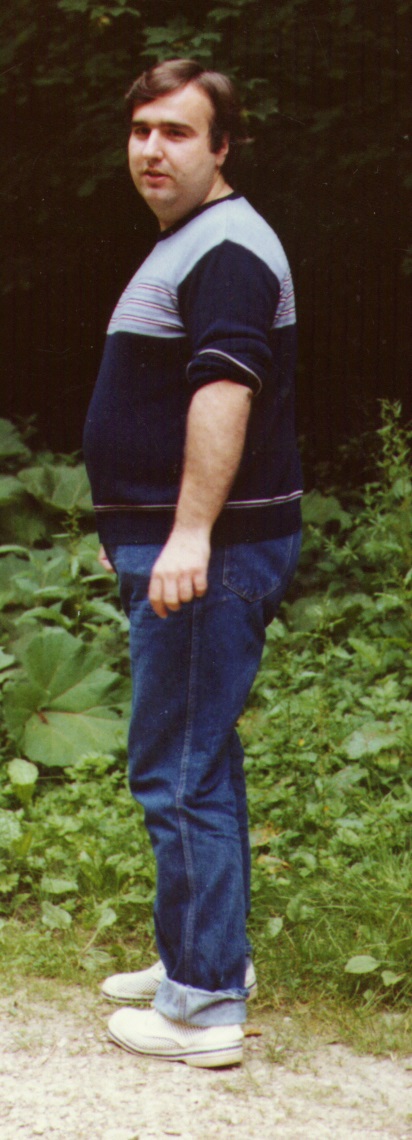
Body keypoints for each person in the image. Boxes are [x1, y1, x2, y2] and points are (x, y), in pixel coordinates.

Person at [83, 58, 303, 1069]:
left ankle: (202, 1006)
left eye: (176, 131)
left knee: (177, 768)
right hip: (181, 540)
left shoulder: (226, 249)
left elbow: (225, 392)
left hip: (209, 550)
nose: (151, 149)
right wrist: (138, 521)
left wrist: (187, 533)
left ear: (222, 146)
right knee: (197, 757)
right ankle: (204, 955)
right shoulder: (196, 241)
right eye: (140, 130)